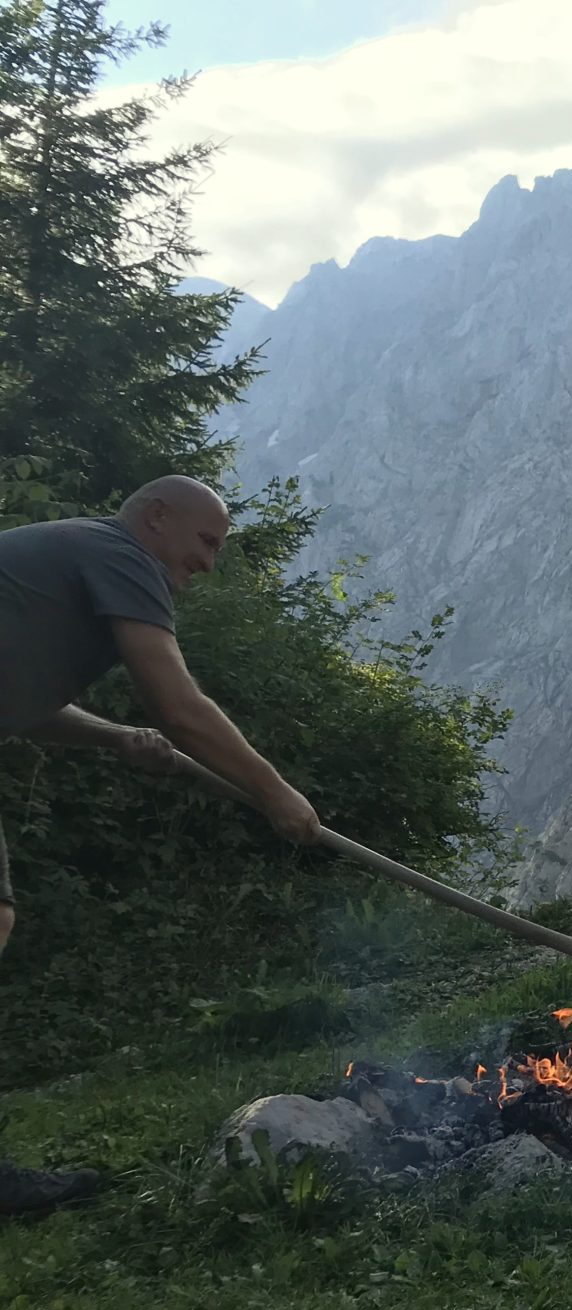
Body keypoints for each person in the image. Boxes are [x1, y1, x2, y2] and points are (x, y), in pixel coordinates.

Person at [0, 475, 322, 1217]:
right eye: (206, 541)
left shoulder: (77, 556)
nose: (209, 564)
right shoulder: (121, 555)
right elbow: (179, 705)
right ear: (154, 518)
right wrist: (276, 792)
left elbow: (23, 704)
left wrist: (113, 737)